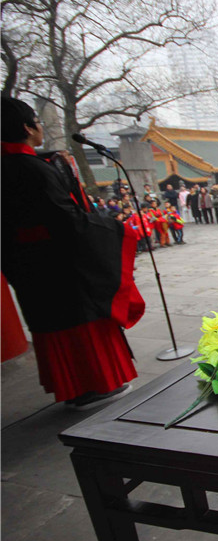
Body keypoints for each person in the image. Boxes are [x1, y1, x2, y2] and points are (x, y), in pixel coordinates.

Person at [1, 97, 145, 409]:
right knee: (80, 325)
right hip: (61, 267)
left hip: (26, 268)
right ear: (27, 128)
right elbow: (68, 221)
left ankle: (74, 388)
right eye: (38, 123)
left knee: (51, 327)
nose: (40, 128)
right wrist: (117, 229)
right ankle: (97, 385)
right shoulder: (34, 170)